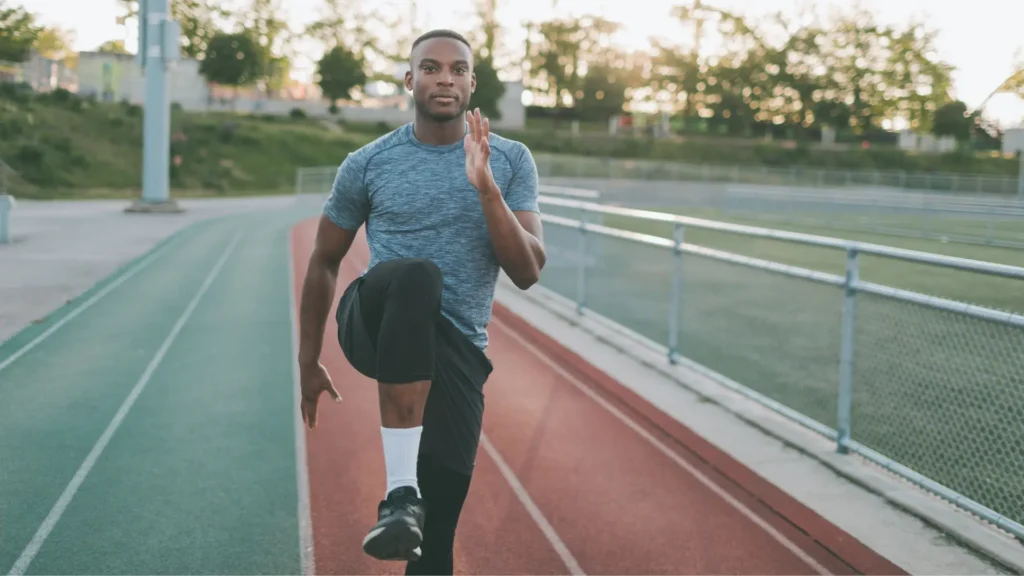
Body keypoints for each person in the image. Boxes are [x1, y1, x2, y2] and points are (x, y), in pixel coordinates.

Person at [295, 28, 546, 575]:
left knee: (433, 544)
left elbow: (527, 271)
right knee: (416, 277)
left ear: (472, 83)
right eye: (431, 68)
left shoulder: (508, 161)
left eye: (457, 69)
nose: (444, 78)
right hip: (375, 320)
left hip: (456, 353)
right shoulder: (368, 163)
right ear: (410, 80)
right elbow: (323, 260)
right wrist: (307, 361)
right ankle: (398, 491)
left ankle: (410, 513)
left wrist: (486, 190)